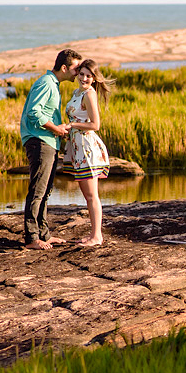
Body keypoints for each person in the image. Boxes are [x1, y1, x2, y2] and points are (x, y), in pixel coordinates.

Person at [19, 48, 82, 250]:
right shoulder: (46, 83)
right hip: (40, 141)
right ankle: (31, 238)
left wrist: (58, 128)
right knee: (38, 190)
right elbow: (33, 113)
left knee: (46, 191)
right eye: (76, 68)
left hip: (49, 141)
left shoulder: (53, 84)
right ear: (64, 67)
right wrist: (56, 128)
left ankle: (44, 235)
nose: (78, 73)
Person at [60, 59, 116, 247]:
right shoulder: (77, 92)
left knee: (92, 195)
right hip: (77, 147)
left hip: (87, 147)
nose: (84, 78)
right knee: (87, 195)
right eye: (81, 74)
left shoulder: (89, 94)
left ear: (94, 78)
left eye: (88, 76)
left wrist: (72, 125)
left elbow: (95, 125)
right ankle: (94, 234)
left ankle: (97, 237)